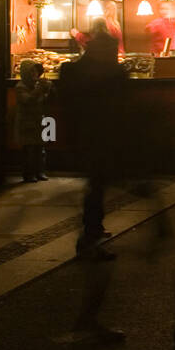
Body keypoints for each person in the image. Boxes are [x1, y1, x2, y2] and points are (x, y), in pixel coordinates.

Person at [58, 29, 129, 258]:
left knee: (96, 185)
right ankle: (89, 237)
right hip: (100, 137)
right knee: (97, 186)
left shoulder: (72, 70)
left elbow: (66, 105)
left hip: (84, 136)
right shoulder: (110, 73)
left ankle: (93, 231)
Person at [14, 59, 51, 182]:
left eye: (36, 72)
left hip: (38, 121)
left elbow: (44, 101)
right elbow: (28, 100)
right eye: (31, 72)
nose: (34, 74)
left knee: (40, 149)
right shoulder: (20, 87)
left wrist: (48, 90)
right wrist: (40, 89)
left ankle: (40, 171)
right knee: (28, 150)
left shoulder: (36, 85)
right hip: (26, 122)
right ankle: (28, 173)